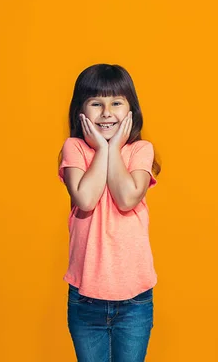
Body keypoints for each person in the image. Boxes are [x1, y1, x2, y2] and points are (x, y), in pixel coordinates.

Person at [57, 63, 161, 362]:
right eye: (96, 103)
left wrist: (114, 148)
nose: (106, 112)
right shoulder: (74, 148)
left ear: (131, 110)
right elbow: (86, 199)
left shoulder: (140, 150)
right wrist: (102, 150)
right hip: (85, 298)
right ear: (81, 110)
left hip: (135, 301)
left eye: (116, 102)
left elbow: (127, 197)